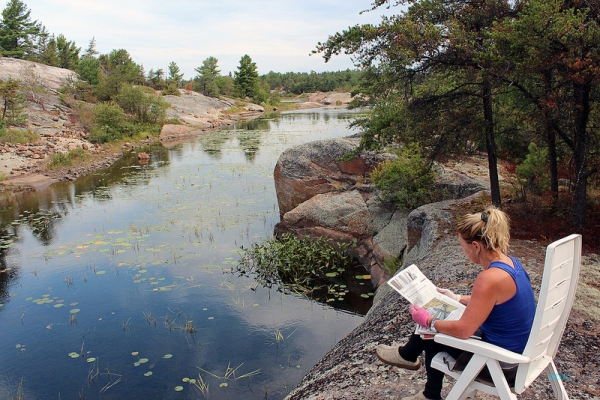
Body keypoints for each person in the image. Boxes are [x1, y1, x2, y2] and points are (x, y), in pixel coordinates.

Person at [376, 206, 536, 400]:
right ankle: (409, 357)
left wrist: (428, 321)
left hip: (500, 364)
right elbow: (499, 302)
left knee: (434, 332)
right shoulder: (511, 263)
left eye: (463, 246)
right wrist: (458, 298)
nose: (463, 251)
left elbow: (463, 331)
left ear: (476, 247)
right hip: (520, 354)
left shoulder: (489, 278)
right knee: (439, 315)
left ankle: (428, 389)